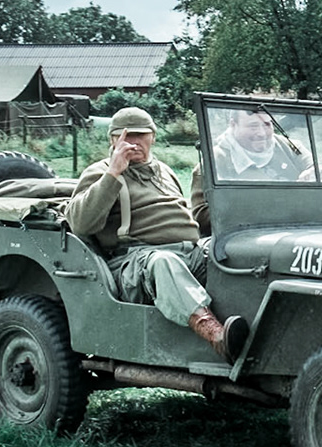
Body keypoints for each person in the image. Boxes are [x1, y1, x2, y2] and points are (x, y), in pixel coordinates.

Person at [65, 106, 248, 361]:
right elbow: (80, 223)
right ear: (112, 140)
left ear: (153, 137)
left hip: (189, 251)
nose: (133, 142)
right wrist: (113, 173)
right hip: (135, 262)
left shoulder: (164, 171)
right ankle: (214, 333)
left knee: (234, 254)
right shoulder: (100, 172)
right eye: (125, 136)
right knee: (164, 263)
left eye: (140, 135)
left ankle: (251, 328)